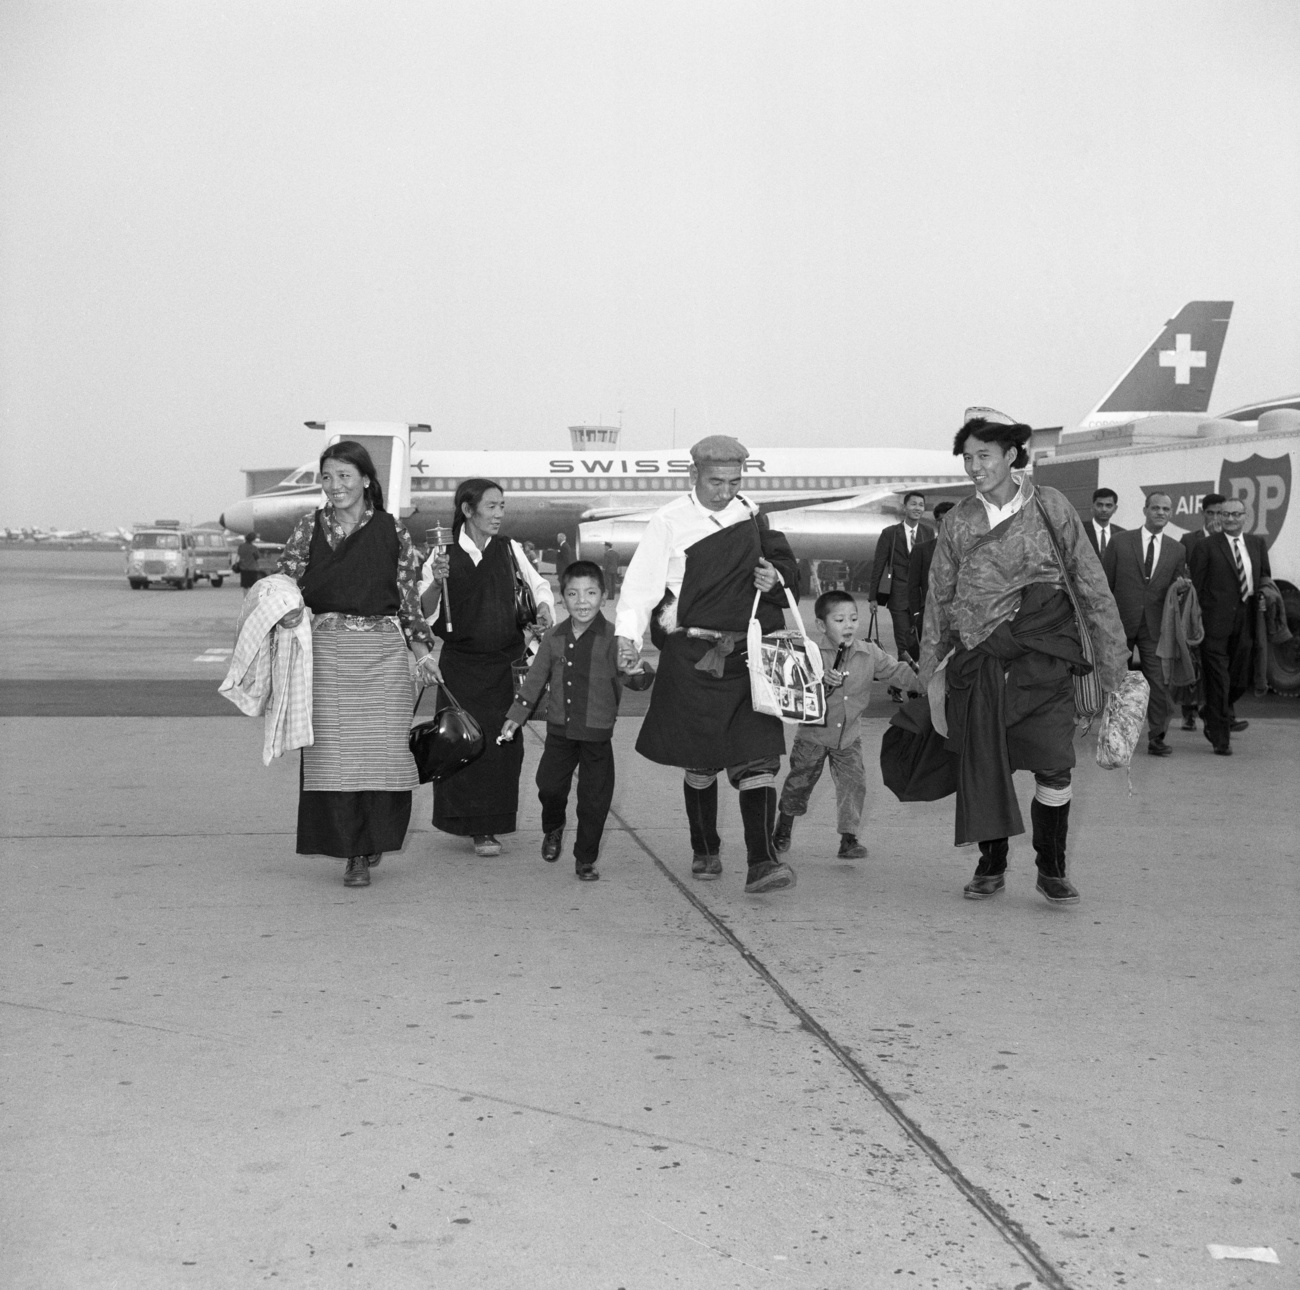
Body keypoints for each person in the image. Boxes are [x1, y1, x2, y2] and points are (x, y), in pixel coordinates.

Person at [918, 409, 1127, 905]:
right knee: (986, 764)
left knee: (1055, 766)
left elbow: (1090, 583)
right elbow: (939, 598)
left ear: (1011, 456)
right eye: (967, 458)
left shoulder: (1050, 506)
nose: (974, 467)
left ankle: (1050, 868)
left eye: (983, 456)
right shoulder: (958, 522)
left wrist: (1112, 661)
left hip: (1043, 661)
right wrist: (931, 672)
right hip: (980, 663)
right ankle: (990, 865)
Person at [615, 434, 800, 894]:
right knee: (699, 765)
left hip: (745, 658)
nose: (725, 491)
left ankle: (762, 862)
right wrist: (627, 639)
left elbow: (788, 572)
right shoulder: (668, 522)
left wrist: (774, 577)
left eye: (734, 481)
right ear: (693, 475)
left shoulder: (752, 516)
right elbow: (640, 588)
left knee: (758, 759)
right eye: (716, 481)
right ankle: (705, 847)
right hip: (691, 657)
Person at [276, 441, 442, 888]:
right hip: (327, 656)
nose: (335, 486)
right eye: (327, 477)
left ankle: (373, 841)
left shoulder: (393, 531)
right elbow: (282, 586)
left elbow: (408, 598)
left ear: (366, 479)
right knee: (334, 757)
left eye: (344, 476)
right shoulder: (307, 528)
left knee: (383, 756)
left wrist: (423, 651)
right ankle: (352, 853)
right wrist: (286, 610)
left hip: (384, 658)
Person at [419, 479, 554, 855]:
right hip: (461, 667)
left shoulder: (509, 548)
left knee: (503, 746)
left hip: (505, 666)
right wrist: (438, 580)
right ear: (467, 509)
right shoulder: (441, 553)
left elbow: (539, 585)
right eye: (491, 506)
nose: (499, 514)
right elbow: (423, 609)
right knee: (461, 742)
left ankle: (490, 827)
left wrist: (543, 607)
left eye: (502, 507)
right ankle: (465, 823)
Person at [501, 561, 653, 880]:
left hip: (597, 736)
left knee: (594, 801)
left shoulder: (615, 638)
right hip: (560, 733)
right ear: (562, 598)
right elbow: (535, 679)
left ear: (604, 595)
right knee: (549, 787)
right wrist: (515, 717)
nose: (582, 601)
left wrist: (638, 671)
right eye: (573, 593)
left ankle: (585, 858)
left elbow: (637, 678)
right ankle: (553, 827)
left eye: (590, 592)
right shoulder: (554, 637)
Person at [773, 590, 919, 860]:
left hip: (849, 737)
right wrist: (820, 684)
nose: (849, 625)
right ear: (821, 625)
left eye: (853, 618)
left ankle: (848, 839)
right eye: (839, 620)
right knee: (799, 784)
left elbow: (897, 672)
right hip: (813, 737)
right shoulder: (811, 654)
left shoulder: (869, 653)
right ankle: (784, 824)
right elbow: (797, 695)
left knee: (854, 784)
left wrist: (928, 680)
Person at [1102, 492, 1188, 757]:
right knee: (1119, 682)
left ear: (1171, 513)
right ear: (1145, 510)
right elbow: (1105, 584)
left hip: (1155, 626)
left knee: (1159, 682)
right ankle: (1116, 737)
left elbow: (1176, 588)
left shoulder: (1177, 549)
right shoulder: (1119, 542)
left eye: (1166, 508)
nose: (1161, 512)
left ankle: (1157, 737)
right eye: (1155, 508)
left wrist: (1182, 588)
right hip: (1120, 624)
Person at [1188, 497, 1270, 756]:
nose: (1231, 519)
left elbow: (1264, 577)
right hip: (1213, 626)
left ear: (1246, 516)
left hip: (1246, 624)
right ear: (1218, 518)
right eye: (1225, 515)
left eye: (1236, 514)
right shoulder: (1206, 546)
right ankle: (1221, 739)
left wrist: (1266, 595)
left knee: (1239, 681)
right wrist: (1195, 623)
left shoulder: (1257, 544)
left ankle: (1209, 711)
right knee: (1219, 682)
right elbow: (1197, 589)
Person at [869, 492, 933, 696]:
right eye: (913, 504)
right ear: (904, 507)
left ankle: (899, 684)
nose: (917, 508)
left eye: (921, 505)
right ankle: (912, 686)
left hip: (921, 597)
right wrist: (873, 597)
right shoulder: (890, 533)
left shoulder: (927, 532)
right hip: (898, 596)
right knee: (904, 642)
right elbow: (878, 564)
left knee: (917, 642)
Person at [1177, 493, 1225, 730]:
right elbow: (1181, 573)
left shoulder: (1228, 540)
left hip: (1219, 613)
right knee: (1191, 661)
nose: (1215, 518)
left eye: (1220, 513)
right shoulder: (1189, 539)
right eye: (1211, 513)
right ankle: (1188, 713)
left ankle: (1214, 712)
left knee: (1214, 665)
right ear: (1203, 514)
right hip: (1193, 610)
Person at [906, 501, 956, 639]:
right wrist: (916, 613)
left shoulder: (967, 550)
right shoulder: (921, 550)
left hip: (958, 614)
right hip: (928, 614)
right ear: (936, 523)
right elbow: (913, 586)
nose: (945, 524)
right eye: (941, 520)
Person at [1083, 488, 1125, 558]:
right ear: (1093, 507)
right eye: (1099, 505)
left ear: (1115, 509)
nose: (1104, 509)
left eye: (1108, 505)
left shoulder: (1122, 534)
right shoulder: (1080, 530)